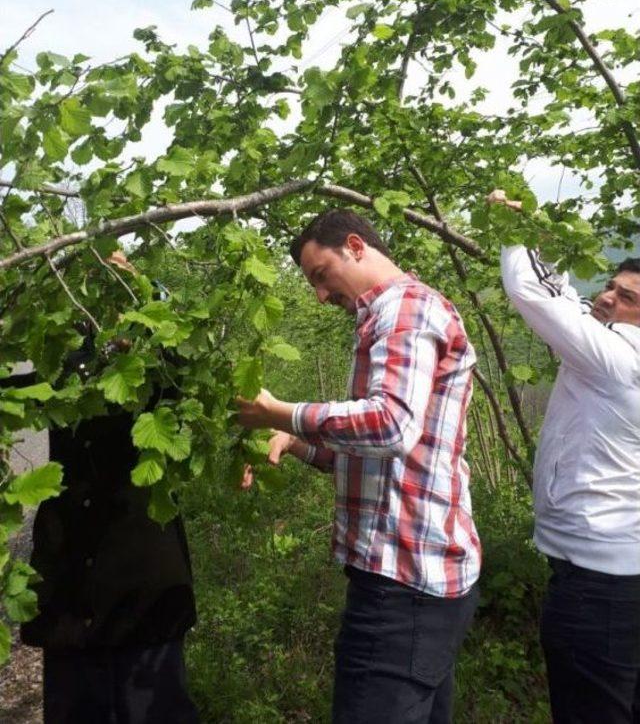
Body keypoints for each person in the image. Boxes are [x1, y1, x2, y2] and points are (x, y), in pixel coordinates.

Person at [237, 208, 481, 724]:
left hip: (404, 585)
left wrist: (283, 411)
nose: (320, 296)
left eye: (320, 276)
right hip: (418, 579)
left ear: (354, 245)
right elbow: (374, 456)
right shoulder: (385, 317)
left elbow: (391, 425)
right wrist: (291, 439)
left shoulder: (406, 309)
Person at [1, 256, 199, 724]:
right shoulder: (60, 348)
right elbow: (21, 389)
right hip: (71, 573)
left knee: (153, 708)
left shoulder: (156, 350)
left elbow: (189, 361)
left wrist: (144, 287)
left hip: (142, 571)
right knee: (76, 706)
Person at [488, 189, 640, 723]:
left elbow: (532, 292)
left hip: (596, 584)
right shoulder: (617, 351)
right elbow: (570, 302)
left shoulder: (618, 359)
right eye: (610, 286)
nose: (605, 298)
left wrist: (513, 224)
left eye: (626, 298)